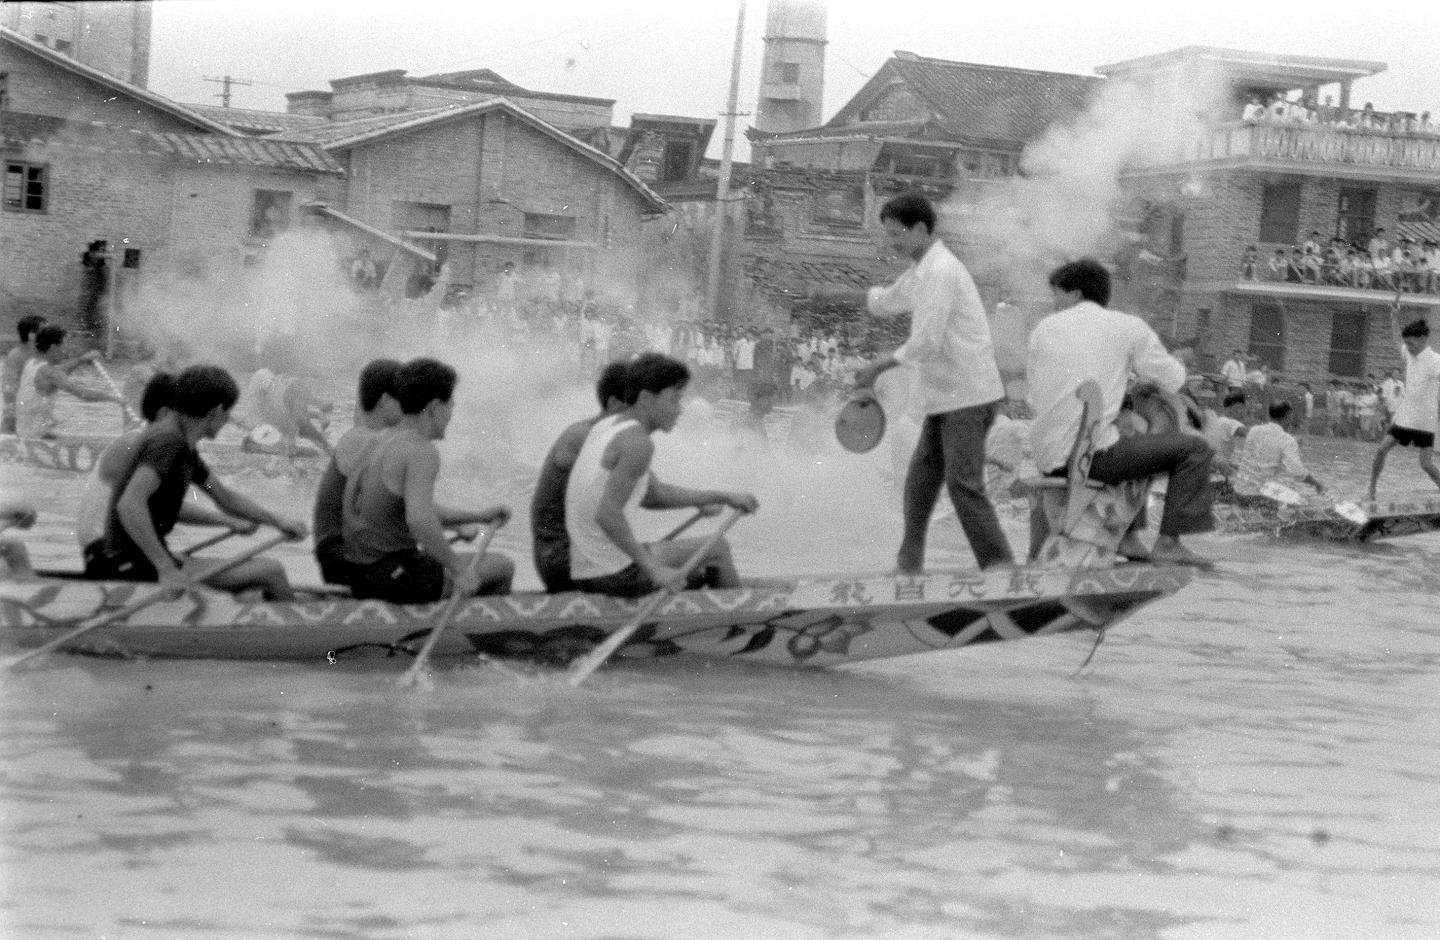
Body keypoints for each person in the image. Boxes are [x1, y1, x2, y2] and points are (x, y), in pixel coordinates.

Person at [850, 193, 1014, 573]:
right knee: (920, 483)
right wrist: (843, 294)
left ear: (921, 229)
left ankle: (1000, 567)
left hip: (968, 395)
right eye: (888, 235)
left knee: (962, 484)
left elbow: (927, 341)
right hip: (945, 397)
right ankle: (908, 564)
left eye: (897, 234)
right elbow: (888, 299)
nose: (892, 243)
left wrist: (878, 367)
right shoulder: (922, 270)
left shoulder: (940, 271)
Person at [1028, 259, 1216, 567]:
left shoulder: (1042, 329)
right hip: (1090, 459)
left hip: (1046, 457)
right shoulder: (1127, 326)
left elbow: (1036, 395)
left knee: (1130, 437)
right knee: (1195, 449)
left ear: (1076, 294)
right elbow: (1173, 378)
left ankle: (1128, 537)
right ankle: (1168, 543)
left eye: (1057, 295)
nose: (1055, 303)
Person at [83, 365, 308, 599]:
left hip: (128, 558)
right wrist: (166, 568)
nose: (227, 420)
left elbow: (224, 497)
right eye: (228, 413)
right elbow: (129, 504)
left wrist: (279, 521)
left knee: (250, 587)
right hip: (127, 563)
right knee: (272, 570)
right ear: (217, 411)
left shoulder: (182, 446)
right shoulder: (169, 443)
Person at [567, 353, 757, 597]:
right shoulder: (637, 442)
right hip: (610, 572)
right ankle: (736, 615)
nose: (680, 410)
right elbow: (607, 514)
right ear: (647, 398)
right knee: (717, 549)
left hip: (586, 569)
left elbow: (655, 495)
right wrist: (653, 570)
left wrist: (720, 497)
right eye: (674, 399)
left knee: (697, 570)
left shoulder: (608, 426)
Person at [342, 358, 513, 603]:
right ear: (434, 408)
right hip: (392, 579)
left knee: (440, 559)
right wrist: (458, 570)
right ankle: (473, 623)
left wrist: (478, 516)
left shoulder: (381, 440)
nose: (452, 412)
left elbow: (416, 508)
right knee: (502, 566)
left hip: (359, 575)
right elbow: (419, 520)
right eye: (450, 404)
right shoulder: (421, 451)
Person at [75, 372, 254, 552]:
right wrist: (227, 520)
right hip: (105, 545)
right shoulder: (143, 445)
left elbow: (217, 494)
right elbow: (166, 508)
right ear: (164, 413)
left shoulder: (152, 441)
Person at [530, 362, 630, 593]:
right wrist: (709, 497)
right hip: (565, 561)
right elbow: (652, 495)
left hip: (575, 557)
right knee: (708, 550)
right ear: (614, 403)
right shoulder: (583, 436)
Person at [312, 358, 403, 587]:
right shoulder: (361, 441)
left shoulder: (371, 438)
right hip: (347, 559)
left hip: (359, 554)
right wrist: (470, 520)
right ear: (385, 401)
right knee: (489, 567)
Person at [1369, 316, 1440, 500]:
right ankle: (1371, 490)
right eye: (1406, 343)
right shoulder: (1409, 353)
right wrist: (1393, 316)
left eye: (1411, 344)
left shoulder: (1435, 361)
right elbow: (1396, 340)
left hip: (1425, 420)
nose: (1407, 347)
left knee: (1426, 464)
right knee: (1381, 449)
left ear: (1423, 340)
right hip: (1406, 417)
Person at [14, 325, 122, 439]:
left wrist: (81, 360)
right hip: (34, 439)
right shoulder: (50, 372)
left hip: (25, 434)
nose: (67, 350)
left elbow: (59, 371)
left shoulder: (32, 363)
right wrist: (116, 398)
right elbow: (84, 394)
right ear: (54, 347)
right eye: (65, 345)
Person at [232, 366, 332, 457]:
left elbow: (287, 418)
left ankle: (319, 413)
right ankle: (320, 412)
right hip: (286, 404)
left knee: (303, 427)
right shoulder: (266, 399)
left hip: (286, 404)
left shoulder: (266, 399)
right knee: (305, 428)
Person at [1232, 401, 1326, 498]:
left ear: (1269, 415)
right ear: (1288, 416)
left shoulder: (1254, 430)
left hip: (1238, 491)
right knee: (1303, 500)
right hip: (1258, 496)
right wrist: (1316, 484)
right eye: (1291, 416)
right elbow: (1297, 471)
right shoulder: (1287, 440)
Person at [2, 314, 47, 435]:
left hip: (33, 414)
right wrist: (12, 415)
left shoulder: (40, 354)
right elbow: (9, 388)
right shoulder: (16, 355)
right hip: (17, 416)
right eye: (45, 331)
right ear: (32, 335)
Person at [0, 499, 38, 580]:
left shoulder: (5, 534)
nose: (34, 522)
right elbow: (25, 577)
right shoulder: (12, 541)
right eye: (33, 517)